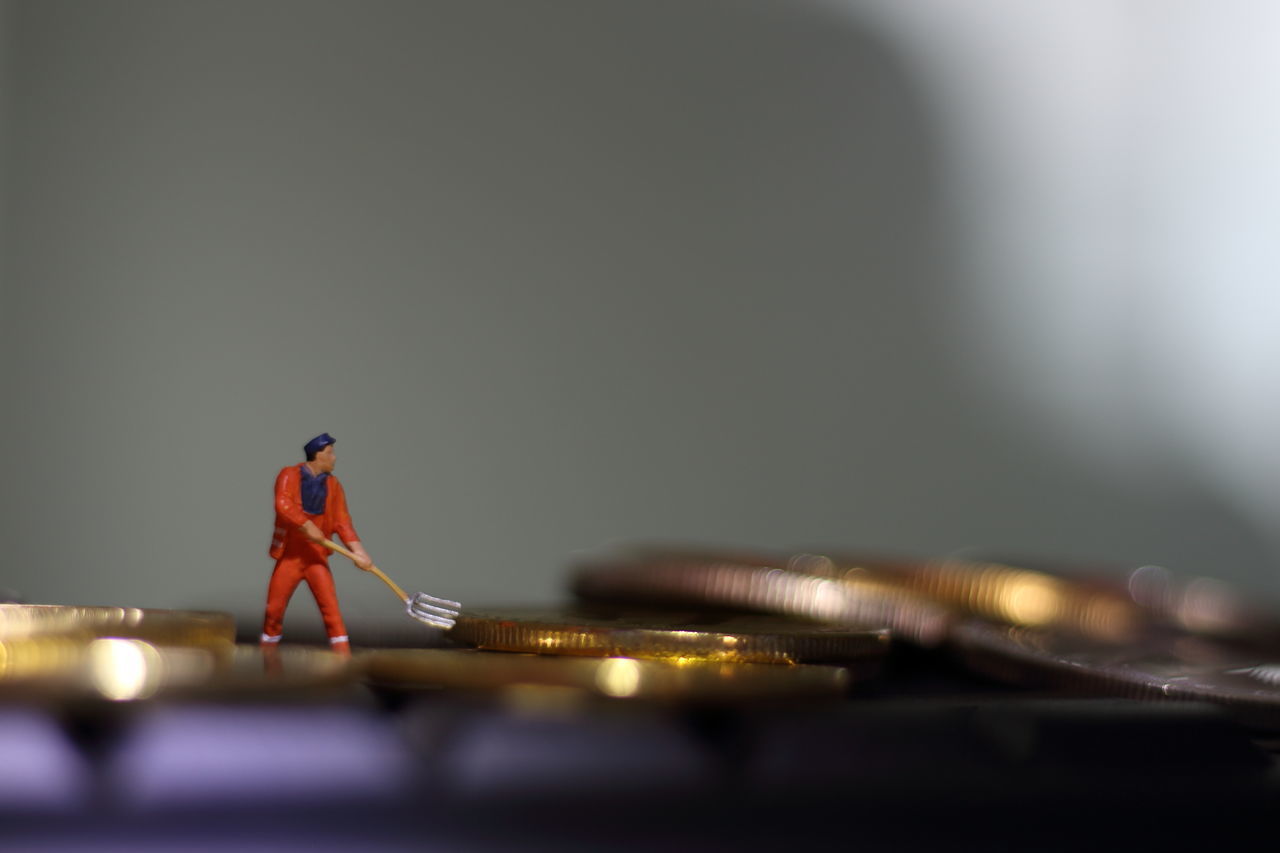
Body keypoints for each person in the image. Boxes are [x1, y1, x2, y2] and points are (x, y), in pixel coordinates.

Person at [260, 433, 372, 656]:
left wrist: (359, 552)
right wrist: (306, 525)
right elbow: (282, 504)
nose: (334, 458)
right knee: (274, 610)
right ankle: (267, 658)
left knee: (331, 609)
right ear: (317, 455)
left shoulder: (334, 486)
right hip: (290, 557)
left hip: (316, 558)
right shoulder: (289, 475)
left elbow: (342, 522)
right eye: (330, 453)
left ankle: (343, 658)